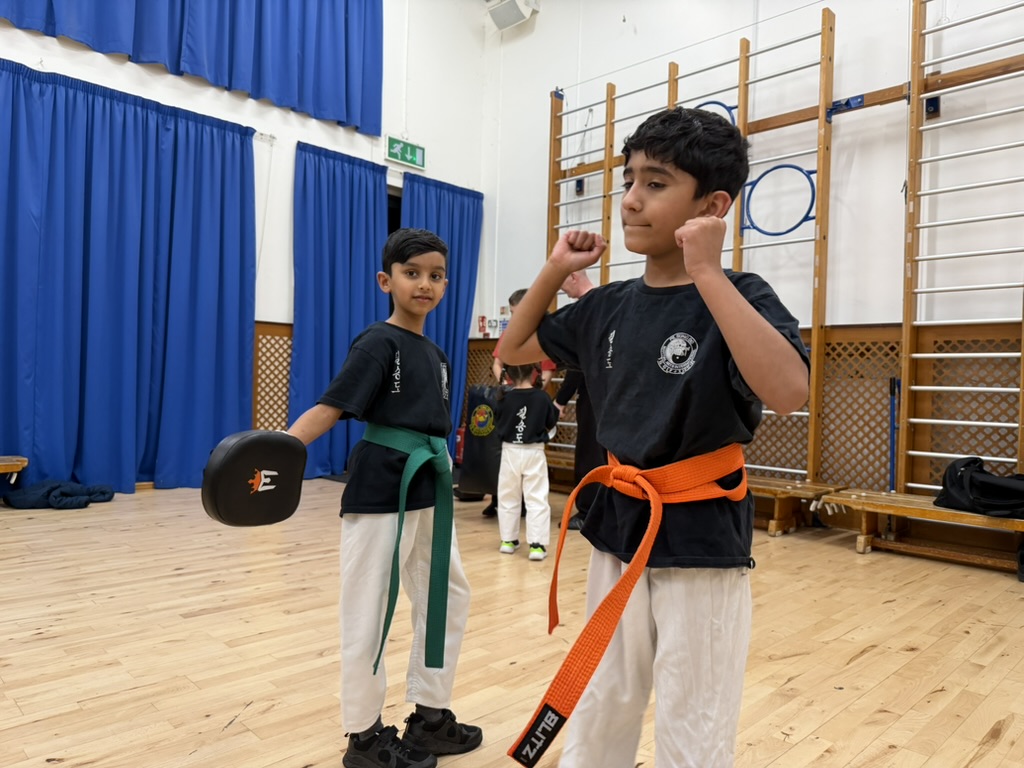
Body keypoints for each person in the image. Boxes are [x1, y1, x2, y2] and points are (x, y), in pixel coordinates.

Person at [500, 107, 809, 767]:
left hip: (699, 538)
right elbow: (516, 346)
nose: (632, 201)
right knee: (604, 695)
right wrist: (556, 270)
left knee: (693, 714)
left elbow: (788, 392)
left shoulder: (739, 293)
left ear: (712, 205)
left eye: (656, 183)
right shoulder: (609, 303)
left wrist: (709, 274)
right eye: (630, 180)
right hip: (617, 525)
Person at [287, 228, 483, 768]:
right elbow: (330, 407)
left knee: (449, 596)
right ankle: (366, 738)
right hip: (382, 490)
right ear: (386, 280)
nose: (425, 283)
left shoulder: (439, 355)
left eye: (436, 275)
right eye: (412, 273)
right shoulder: (378, 342)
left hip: (429, 488)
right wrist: (280, 451)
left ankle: (430, 716)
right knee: (368, 610)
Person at [552, 270, 601, 531]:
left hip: (595, 397)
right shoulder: (606, 304)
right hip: (609, 395)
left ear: (573, 276)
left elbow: (577, 363)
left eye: (565, 286)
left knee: (589, 454)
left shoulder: (588, 308)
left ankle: (588, 512)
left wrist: (560, 401)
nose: (566, 293)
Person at [494, 363, 560, 561]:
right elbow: (551, 420)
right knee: (537, 497)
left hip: (509, 452)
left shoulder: (503, 397)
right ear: (534, 373)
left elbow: (497, 422)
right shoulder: (542, 397)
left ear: (509, 375)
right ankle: (537, 546)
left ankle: (508, 540)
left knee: (507, 496)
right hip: (534, 452)